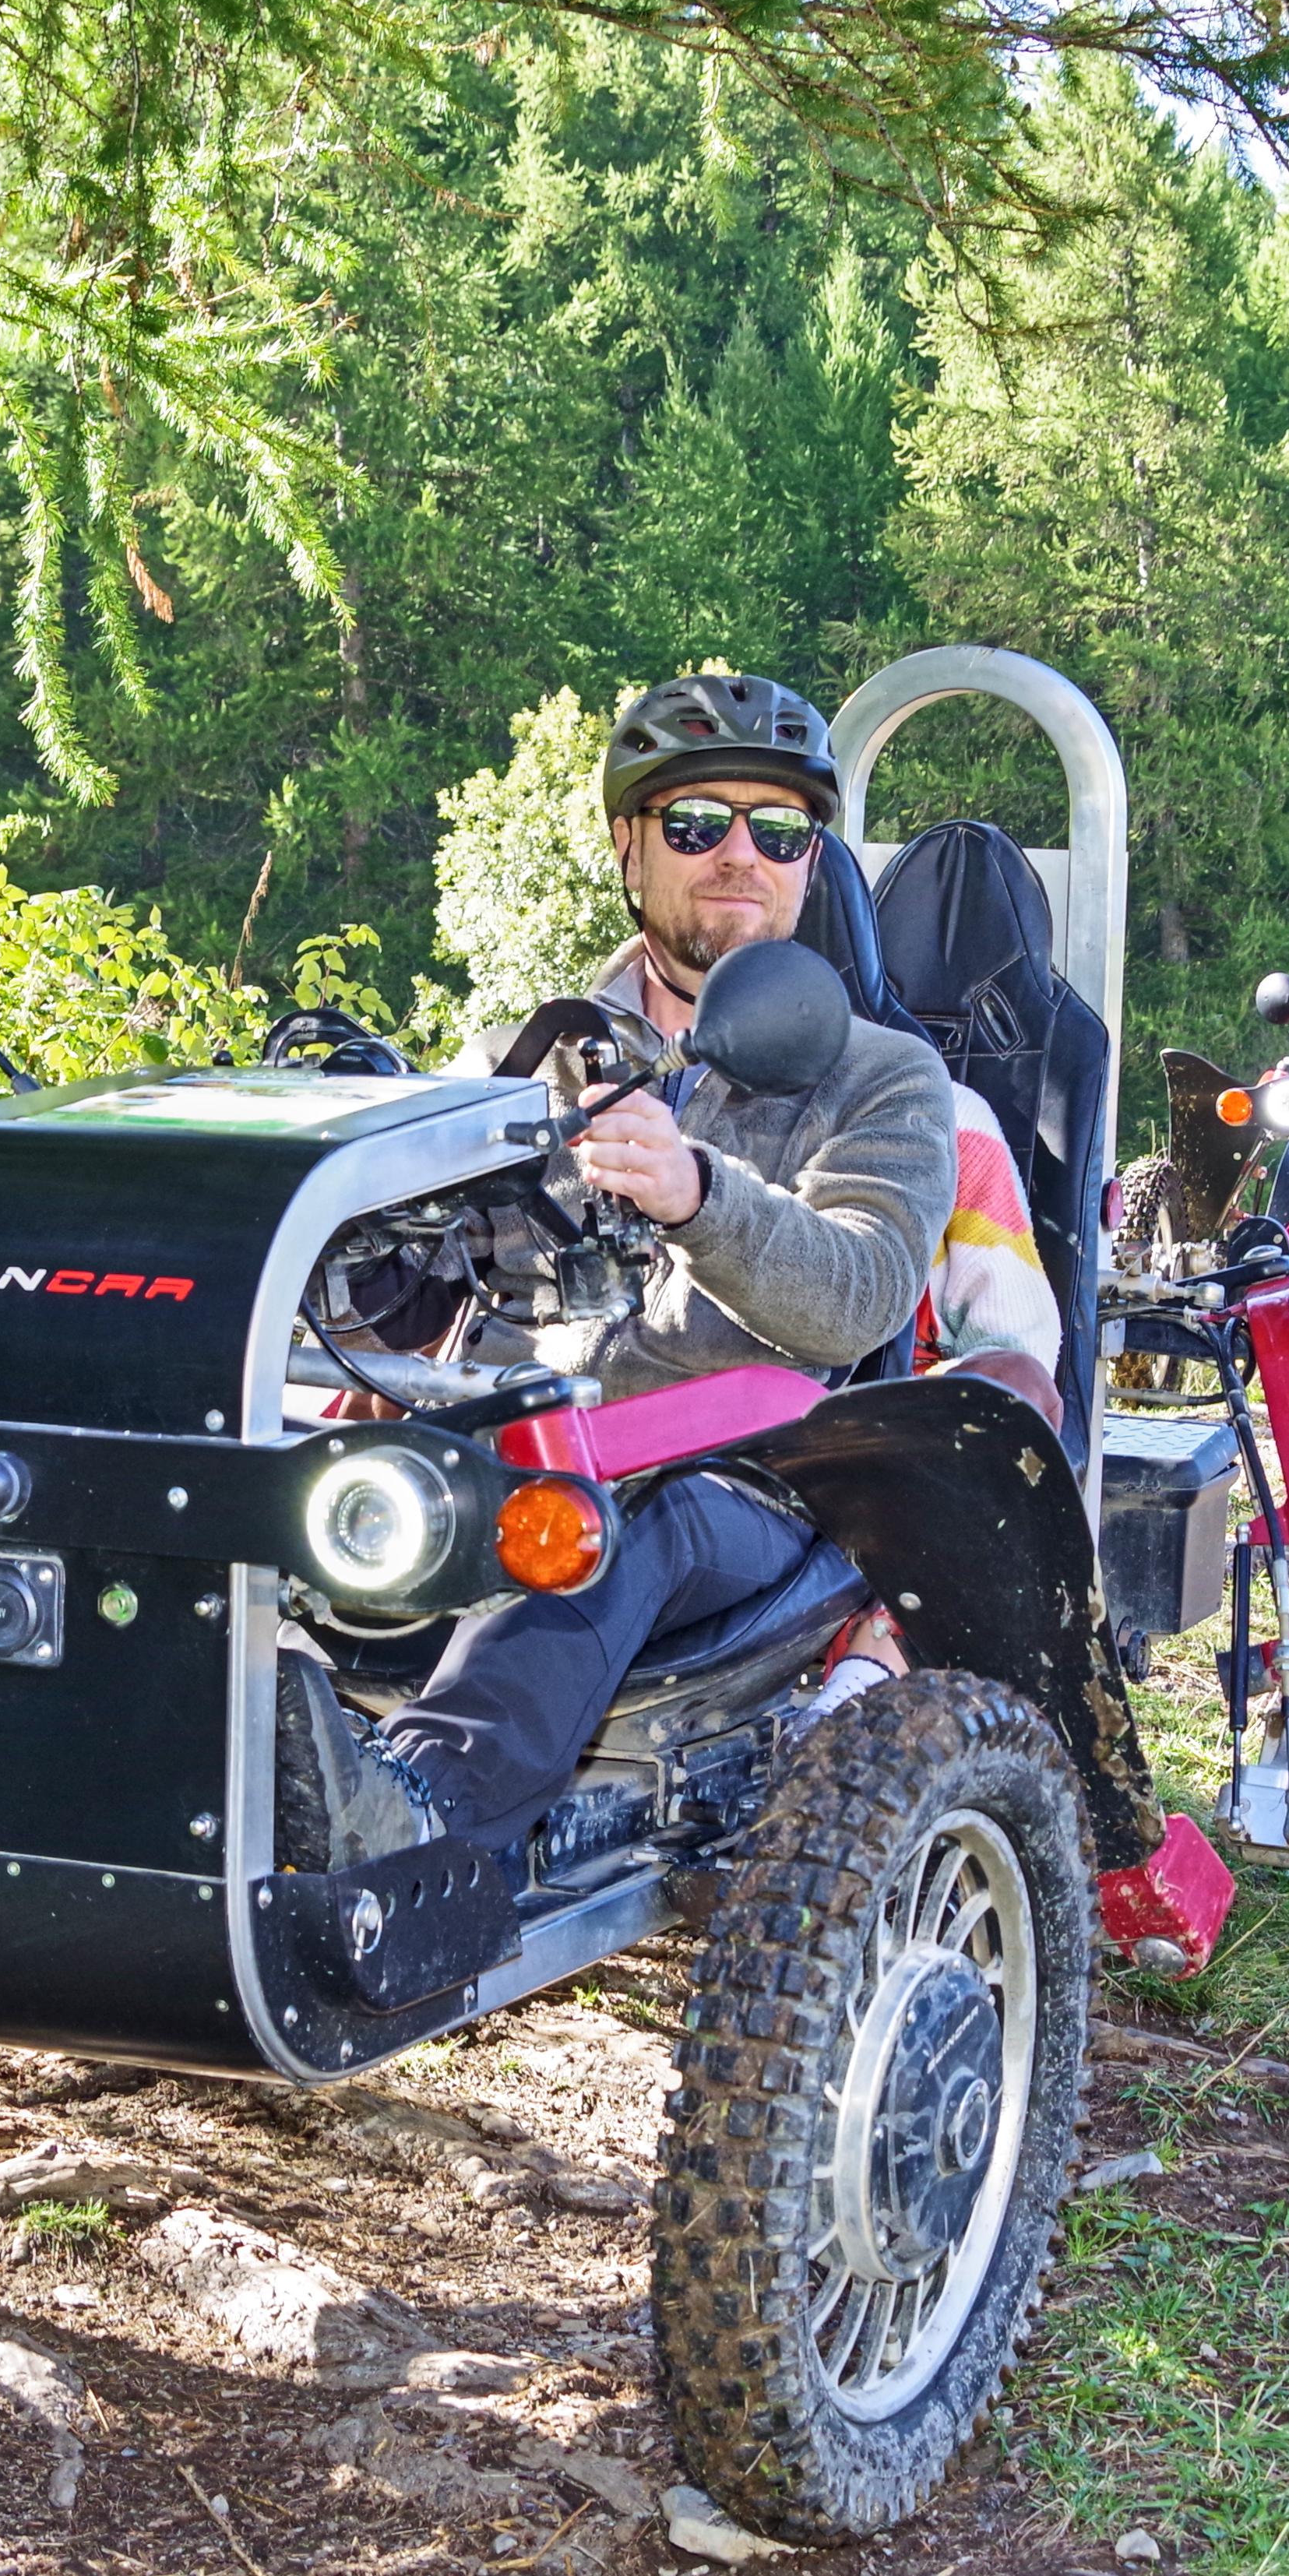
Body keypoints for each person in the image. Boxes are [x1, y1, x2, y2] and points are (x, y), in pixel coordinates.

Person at [287, 676, 970, 1860]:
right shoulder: (528, 1062)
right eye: (700, 824)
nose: (741, 857)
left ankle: (419, 1817)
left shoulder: (885, 1078)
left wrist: (702, 1193)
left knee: (603, 1516)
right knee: (262, 1468)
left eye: (782, 831)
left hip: (748, 1482)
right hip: (508, 1438)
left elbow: (860, 1293)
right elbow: (414, 1302)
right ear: (629, 844)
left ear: (815, 862)